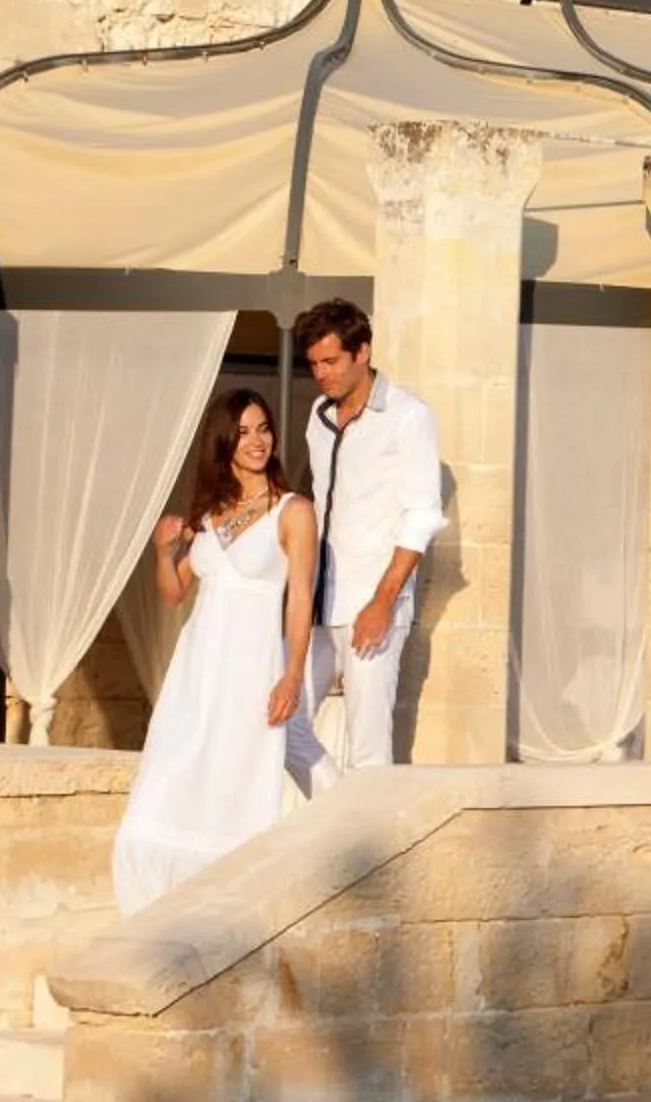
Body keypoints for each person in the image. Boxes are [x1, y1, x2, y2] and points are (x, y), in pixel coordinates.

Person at [111, 390, 317, 914]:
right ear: (225, 440)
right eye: (245, 431)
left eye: (264, 428)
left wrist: (292, 673)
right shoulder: (210, 513)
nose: (258, 441)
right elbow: (174, 592)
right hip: (198, 667)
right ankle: (156, 899)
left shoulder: (293, 512)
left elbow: (299, 602)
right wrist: (163, 551)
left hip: (252, 665)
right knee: (171, 771)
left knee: (239, 778)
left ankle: (233, 900)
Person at [289, 298, 445, 770]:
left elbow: (422, 514)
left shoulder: (407, 415)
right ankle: (339, 811)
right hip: (317, 603)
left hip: (371, 606)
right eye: (314, 364)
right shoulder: (318, 413)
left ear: (362, 352)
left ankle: (366, 842)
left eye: (331, 361)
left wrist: (382, 602)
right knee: (281, 726)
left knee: (368, 749)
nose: (322, 374)